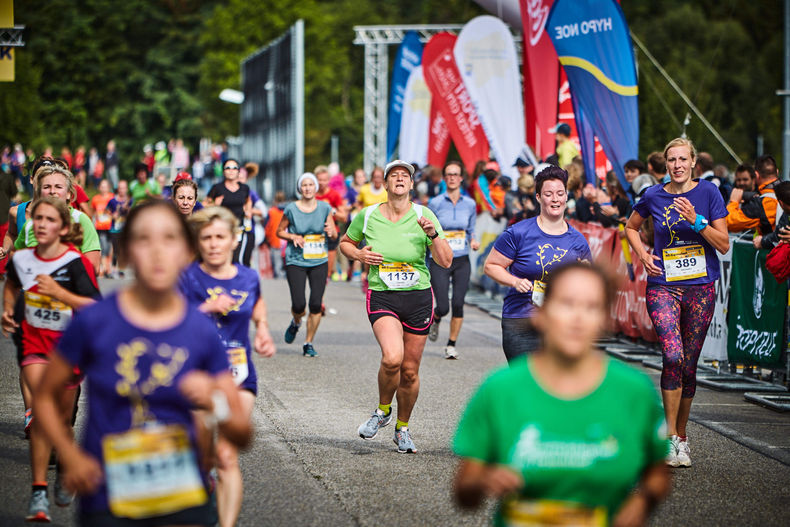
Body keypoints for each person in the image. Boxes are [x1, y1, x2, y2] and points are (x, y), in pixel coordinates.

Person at [34, 200, 252, 526]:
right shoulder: (95, 320)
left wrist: (215, 402)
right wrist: (70, 455)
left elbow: (242, 433)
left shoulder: (201, 331)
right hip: (107, 496)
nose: (157, 251)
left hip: (184, 496)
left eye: (169, 239)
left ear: (186, 252)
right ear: (125, 251)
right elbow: (44, 396)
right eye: (143, 239)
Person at [453, 263, 671, 526]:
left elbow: (658, 473)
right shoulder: (500, 389)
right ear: (540, 314)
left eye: (592, 307)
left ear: (605, 320)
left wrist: (643, 499)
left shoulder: (634, 391)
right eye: (566, 304)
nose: (578, 318)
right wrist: (484, 480)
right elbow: (464, 491)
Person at [625, 137, 729, 467]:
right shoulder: (652, 194)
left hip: (700, 286)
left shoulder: (709, 193)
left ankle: (682, 437)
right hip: (663, 285)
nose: (677, 165)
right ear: (665, 164)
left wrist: (698, 220)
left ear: (694, 161)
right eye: (672, 160)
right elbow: (630, 226)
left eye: (683, 159)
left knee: (688, 365)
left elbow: (724, 244)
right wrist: (642, 253)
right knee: (672, 353)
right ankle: (669, 438)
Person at [340, 160, 452, 453]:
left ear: (412, 185)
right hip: (383, 294)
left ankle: (402, 429)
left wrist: (434, 234)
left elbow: (446, 260)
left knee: (410, 371)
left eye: (405, 176)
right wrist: (359, 255)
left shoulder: (424, 215)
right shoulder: (367, 215)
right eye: (394, 176)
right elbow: (345, 243)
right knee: (393, 358)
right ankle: (382, 411)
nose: (400, 179)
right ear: (385, 184)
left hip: (418, 297)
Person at [2, 197, 101, 522]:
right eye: (37, 218)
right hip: (34, 346)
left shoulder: (75, 263)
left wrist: (59, 295)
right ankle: (38, 490)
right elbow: (12, 286)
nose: (42, 224)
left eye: (49, 219)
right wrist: (6, 310)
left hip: (68, 349)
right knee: (43, 410)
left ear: (63, 227)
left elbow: (93, 305)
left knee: (61, 420)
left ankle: (63, 467)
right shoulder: (21, 259)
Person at [180, 206, 275, 527]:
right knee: (202, 456)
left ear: (234, 240)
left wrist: (262, 329)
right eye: (206, 237)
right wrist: (206, 307)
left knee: (226, 456)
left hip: (239, 377)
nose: (214, 244)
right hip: (199, 378)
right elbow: (171, 321)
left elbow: (256, 301)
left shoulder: (248, 277)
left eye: (220, 237)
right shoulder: (187, 277)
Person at [484, 166, 592, 363]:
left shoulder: (578, 241)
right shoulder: (518, 233)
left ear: (567, 196)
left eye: (560, 194)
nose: (555, 199)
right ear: (538, 197)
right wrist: (515, 282)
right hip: (521, 321)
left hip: (560, 324)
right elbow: (491, 266)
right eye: (548, 194)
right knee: (526, 385)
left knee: (556, 387)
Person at [277, 173, 337, 356]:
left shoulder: (325, 208)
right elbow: (279, 231)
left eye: (311, 184)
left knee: (316, 304)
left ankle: (308, 342)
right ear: (300, 188)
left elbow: (333, 234)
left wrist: (332, 231)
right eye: (304, 185)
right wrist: (292, 236)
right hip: (296, 260)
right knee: (299, 305)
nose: (308, 188)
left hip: (319, 259)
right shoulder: (291, 209)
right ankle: (296, 322)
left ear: (316, 187)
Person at [427, 161, 479, 359]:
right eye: (448, 174)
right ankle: (437, 317)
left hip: (461, 259)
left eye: (455, 174)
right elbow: (428, 230)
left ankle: (451, 344)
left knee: (458, 302)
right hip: (439, 258)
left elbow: (471, 228)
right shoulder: (435, 203)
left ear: (461, 178)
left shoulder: (470, 204)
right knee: (443, 305)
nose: (452, 178)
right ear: (444, 177)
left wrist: (473, 239)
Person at [207, 158, 254, 267]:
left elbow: (248, 201)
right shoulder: (217, 188)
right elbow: (205, 204)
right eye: (228, 168)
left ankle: (235, 282)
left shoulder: (244, 188)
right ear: (223, 171)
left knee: (237, 259)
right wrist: (215, 205)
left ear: (238, 171)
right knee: (224, 257)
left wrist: (248, 210)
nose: (231, 170)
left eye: (234, 168)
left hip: (239, 228)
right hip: (222, 228)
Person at [726, 155, 780, 235]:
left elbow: (729, 222)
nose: (741, 183)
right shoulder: (785, 190)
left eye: (745, 179)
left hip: (772, 247)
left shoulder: (764, 202)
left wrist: (733, 202)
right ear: (777, 172)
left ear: (756, 175)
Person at [314, 165, 348, 281]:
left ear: (328, 180)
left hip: (331, 233)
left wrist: (331, 210)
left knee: (326, 272)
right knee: (314, 270)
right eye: (319, 180)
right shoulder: (311, 195)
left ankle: (320, 296)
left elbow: (344, 217)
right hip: (313, 234)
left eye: (325, 180)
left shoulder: (334, 195)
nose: (322, 183)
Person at [107, 180, 133, 278]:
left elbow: (132, 213)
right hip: (115, 228)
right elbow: (106, 212)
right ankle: (113, 269)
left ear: (126, 189)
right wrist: (112, 215)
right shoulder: (112, 201)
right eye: (120, 188)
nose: (122, 190)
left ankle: (121, 268)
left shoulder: (130, 201)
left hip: (125, 229)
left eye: (123, 188)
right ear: (118, 189)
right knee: (115, 249)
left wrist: (127, 210)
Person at [755, 181, 790, 250]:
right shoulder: (786, 215)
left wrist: (762, 241)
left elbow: (779, 234)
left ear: (781, 203)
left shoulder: (786, 214)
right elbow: (779, 233)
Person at [90, 179, 115, 277]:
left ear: (109, 188)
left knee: (110, 247)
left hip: (111, 226)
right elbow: (93, 211)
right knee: (103, 247)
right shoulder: (96, 199)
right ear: (99, 188)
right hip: (100, 227)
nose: (104, 188)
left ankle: (109, 267)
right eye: (102, 186)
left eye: (105, 186)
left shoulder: (112, 197)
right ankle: (105, 269)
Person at [264, 191, 287, 278]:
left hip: (275, 240)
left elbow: (267, 226)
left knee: (277, 264)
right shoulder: (288, 211)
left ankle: (279, 279)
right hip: (287, 240)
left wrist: (267, 237)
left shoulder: (271, 211)